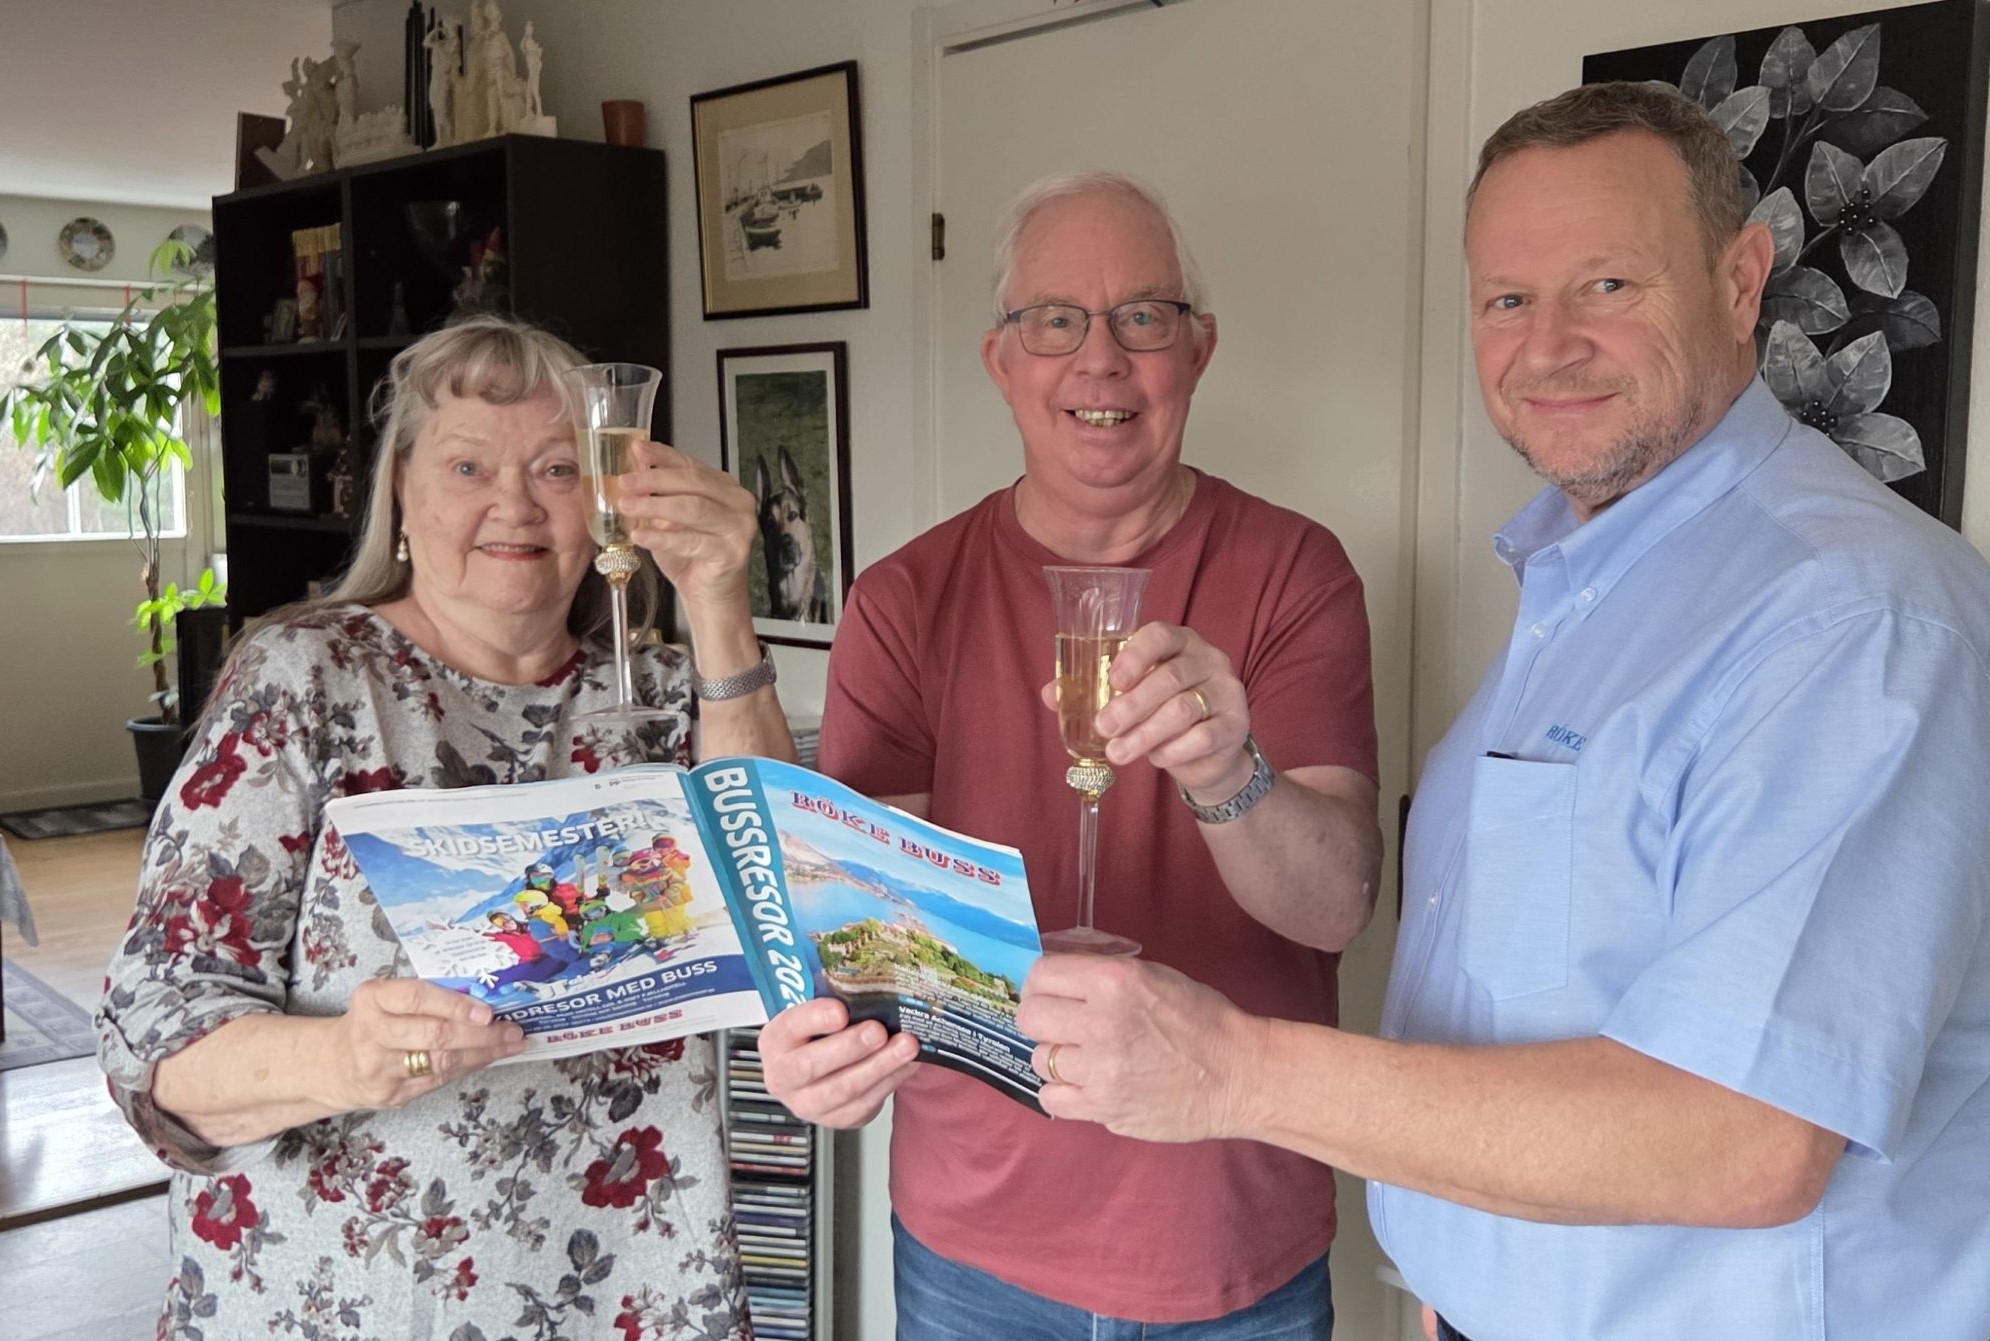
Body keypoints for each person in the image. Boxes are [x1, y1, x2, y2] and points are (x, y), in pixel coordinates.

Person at [1015, 83, 1990, 1341]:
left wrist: (1231, 1071)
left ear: (1740, 281)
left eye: (1607, 285)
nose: (1548, 346)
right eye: (1506, 300)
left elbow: (1742, 1138)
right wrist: (1454, 1288)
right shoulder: (1590, 584)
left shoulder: (1861, 621)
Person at [756, 170, 1385, 1336]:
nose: (1100, 359)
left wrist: (1225, 773)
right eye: (1055, 321)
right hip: (973, 1253)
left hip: (1228, 1245)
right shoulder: (902, 601)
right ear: (1002, 363)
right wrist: (823, 1049)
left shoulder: (1294, 573)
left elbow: (1331, 908)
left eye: (1142, 317)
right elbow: (861, 940)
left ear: (1196, 351)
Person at [96, 314, 790, 1339]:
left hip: (627, 1284)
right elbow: (153, 1032)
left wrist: (722, 601)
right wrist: (345, 1060)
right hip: (345, 1296)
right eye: (468, 466)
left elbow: (783, 918)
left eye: (559, 469)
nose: (515, 503)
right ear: (401, 493)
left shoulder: (660, 694)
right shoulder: (308, 678)